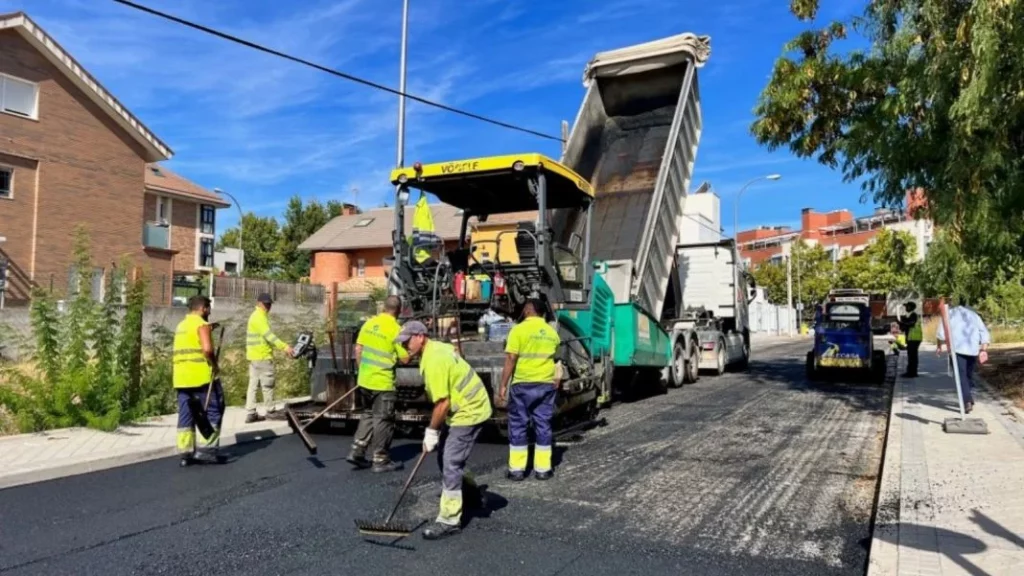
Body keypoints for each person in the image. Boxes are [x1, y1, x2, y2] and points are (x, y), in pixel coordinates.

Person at [396, 320, 492, 540]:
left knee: (450, 461)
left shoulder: (435, 360)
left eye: (407, 341)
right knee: (446, 458)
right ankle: (472, 495)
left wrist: (431, 431)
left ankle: (449, 519)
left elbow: (442, 403)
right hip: (464, 407)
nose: (405, 347)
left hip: (470, 411)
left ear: (421, 336)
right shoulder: (436, 350)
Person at [498, 299, 561, 481]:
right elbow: (556, 359)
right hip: (546, 384)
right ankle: (543, 469)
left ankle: (517, 470)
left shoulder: (518, 330)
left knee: (518, 425)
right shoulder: (552, 333)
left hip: (523, 384)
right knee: (543, 424)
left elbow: (511, 358)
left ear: (526, 312)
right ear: (542, 313)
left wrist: (503, 384)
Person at [346, 295, 408, 473]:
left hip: (365, 380)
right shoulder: (396, 329)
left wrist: (362, 371)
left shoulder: (369, 324)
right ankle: (380, 460)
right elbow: (404, 358)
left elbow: (358, 348)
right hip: (383, 383)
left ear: (383, 307)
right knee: (383, 419)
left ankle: (357, 451)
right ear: (399, 310)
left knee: (367, 414)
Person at [173, 296, 225, 465]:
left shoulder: (181, 326)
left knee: (186, 415)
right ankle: (207, 451)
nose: (209, 312)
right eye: (209, 309)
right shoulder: (200, 325)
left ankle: (185, 454)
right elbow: (208, 350)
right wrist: (215, 365)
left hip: (181, 379)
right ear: (203, 308)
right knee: (214, 410)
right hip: (201, 378)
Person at [245, 293, 293, 423]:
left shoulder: (255, 316)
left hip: (254, 357)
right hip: (262, 356)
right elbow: (269, 336)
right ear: (259, 303)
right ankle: (270, 411)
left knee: (253, 385)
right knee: (268, 384)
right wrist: (285, 347)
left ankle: (250, 413)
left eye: (269, 304)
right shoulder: (259, 317)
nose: (268, 306)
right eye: (266, 304)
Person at [936, 303, 991, 414]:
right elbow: (984, 332)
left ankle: (967, 400)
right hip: (972, 350)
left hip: (957, 349)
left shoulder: (949, 314)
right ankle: (968, 397)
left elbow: (941, 334)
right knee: (968, 375)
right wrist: (984, 349)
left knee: (961, 376)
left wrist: (939, 346)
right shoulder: (974, 315)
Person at [898, 302, 922, 377]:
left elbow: (910, 323)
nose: (906, 308)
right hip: (912, 338)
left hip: (914, 338)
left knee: (912, 356)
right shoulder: (910, 315)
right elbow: (905, 326)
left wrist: (903, 322)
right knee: (912, 356)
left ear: (911, 307)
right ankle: (912, 372)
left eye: (907, 307)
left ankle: (911, 373)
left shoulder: (913, 315)